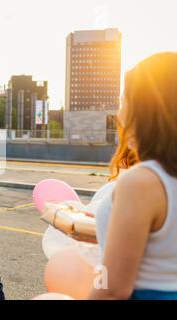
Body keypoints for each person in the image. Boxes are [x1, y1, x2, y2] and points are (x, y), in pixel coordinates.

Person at [89, 52, 177, 300]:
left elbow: (112, 289)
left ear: (146, 110)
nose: (119, 114)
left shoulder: (142, 182)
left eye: (123, 100)